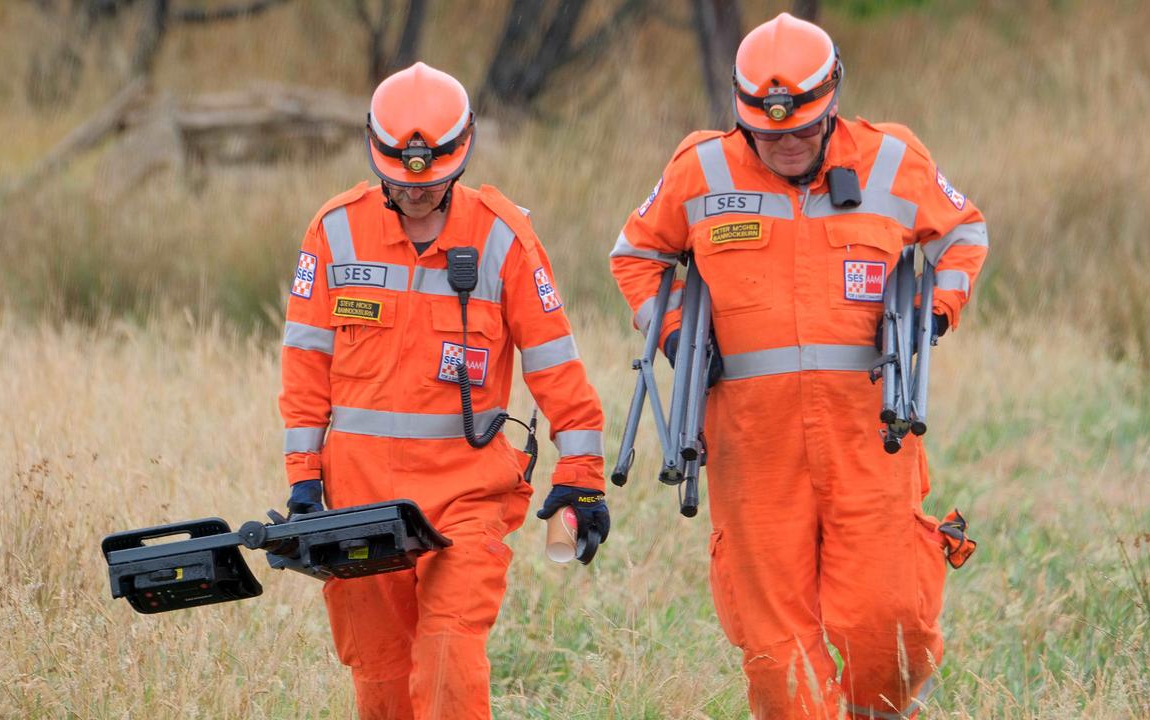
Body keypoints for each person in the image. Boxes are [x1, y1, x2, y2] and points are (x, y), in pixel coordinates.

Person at [609, 13, 987, 720]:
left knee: (890, 620)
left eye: (802, 130)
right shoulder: (700, 168)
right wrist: (672, 337)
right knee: (775, 644)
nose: (785, 144)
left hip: (869, 431)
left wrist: (937, 311)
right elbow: (635, 257)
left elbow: (964, 231)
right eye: (768, 132)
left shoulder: (891, 157)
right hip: (751, 444)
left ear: (832, 98)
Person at [278, 62, 609, 720]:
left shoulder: (501, 237)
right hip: (358, 501)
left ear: (461, 155)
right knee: (379, 679)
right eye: (401, 180)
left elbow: (554, 363)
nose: (416, 192)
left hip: (466, 498)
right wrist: (303, 482)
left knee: (449, 658)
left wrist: (582, 472)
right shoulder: (335, 231)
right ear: (379, 157)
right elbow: (305, 364)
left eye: (430, 181)